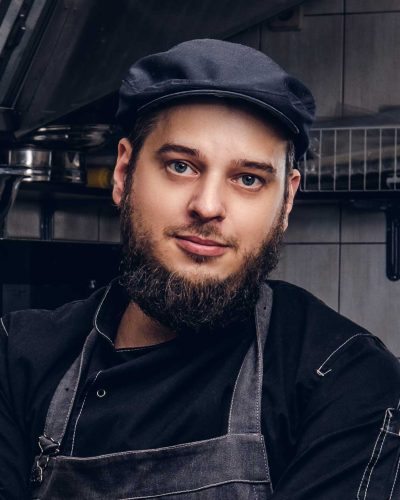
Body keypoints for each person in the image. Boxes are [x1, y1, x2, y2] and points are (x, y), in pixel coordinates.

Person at [1, 39, 399, 500]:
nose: (208, 206)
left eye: (248, 179)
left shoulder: (340, 377)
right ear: (123, 173)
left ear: (286, 200)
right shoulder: (20, 359)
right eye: (181, 166)